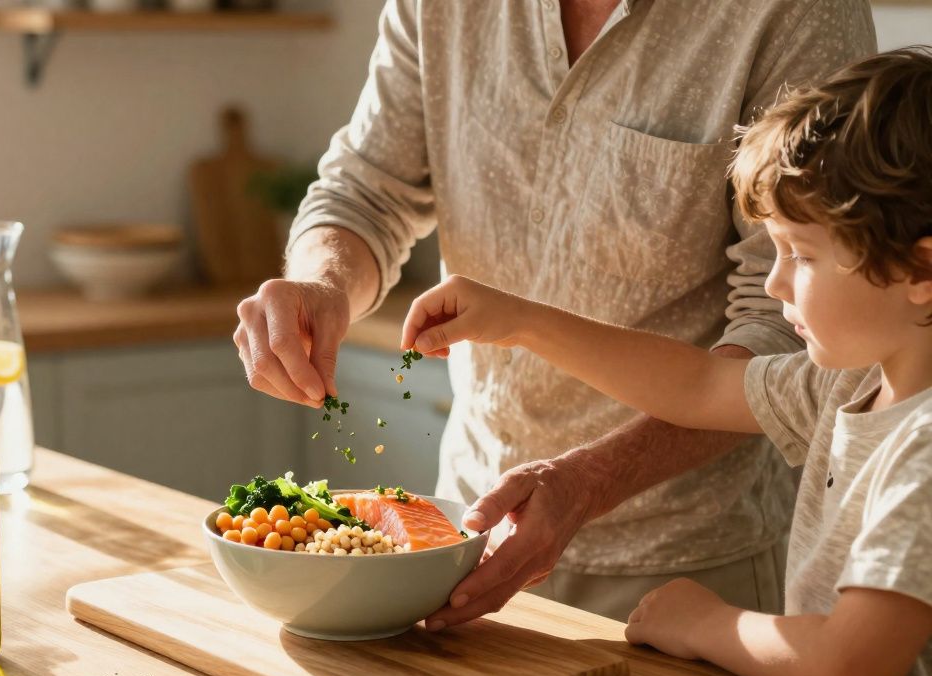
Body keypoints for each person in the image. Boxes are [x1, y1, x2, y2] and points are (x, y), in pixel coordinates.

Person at [234, 0, 877, 622]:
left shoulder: (796, 10)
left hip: (684, 569)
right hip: (468, 532)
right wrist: (321, 281)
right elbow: (364, 191)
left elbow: (784, 329)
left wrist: (593, 479)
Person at [400, 47, 932, 676]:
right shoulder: (847, 386)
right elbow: (697, 386)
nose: (774, 283)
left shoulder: (923, 446)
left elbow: (848, 669)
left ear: (919, 272)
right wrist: (521, 321)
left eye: (802, 255)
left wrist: (705, 623)